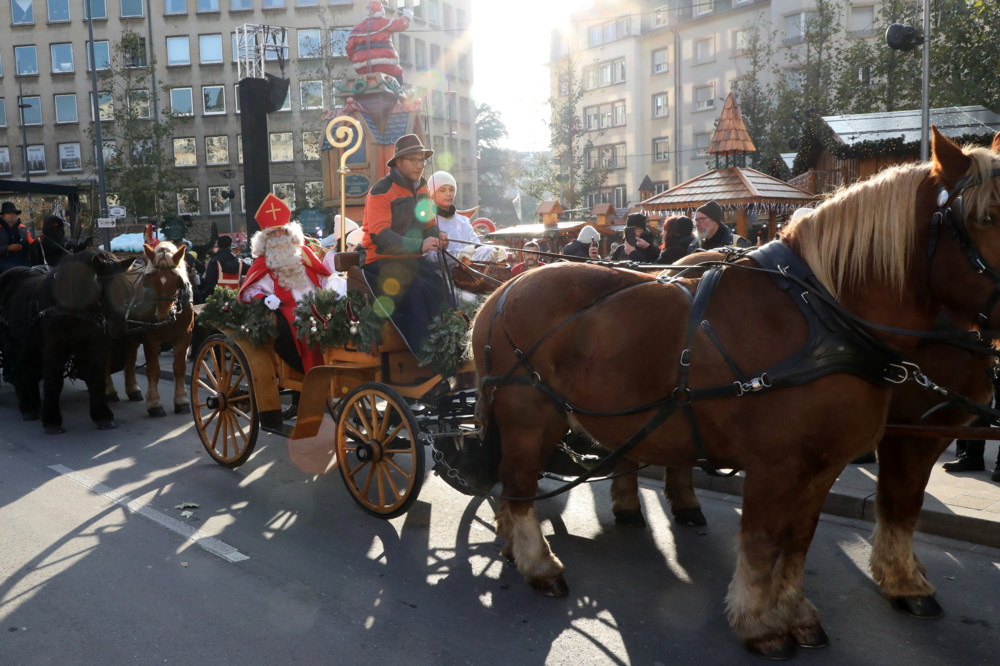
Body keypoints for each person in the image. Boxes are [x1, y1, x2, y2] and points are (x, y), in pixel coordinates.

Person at [359, 133, 451, 355]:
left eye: (422, 160)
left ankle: (448, 347)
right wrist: (419, 246)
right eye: (414, 160)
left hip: (411, 261)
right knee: (415, 288)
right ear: (398, 162)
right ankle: (425, 354)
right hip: (380, 263)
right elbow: (381, 235)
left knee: (440, 287)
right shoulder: (380, 191)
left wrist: (438, 235)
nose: (419, 165)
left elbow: (428, 223)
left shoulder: (422, 189)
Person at [239, 193, 330, 374]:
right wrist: (264, 298)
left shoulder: (304, 253)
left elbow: (322, 277)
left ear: (290, 233)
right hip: (288, 310)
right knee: (305, 331)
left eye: (282, 231)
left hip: (316, 306)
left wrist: (333, 288)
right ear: (265, 238)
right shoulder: (262, 261)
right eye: (273, 233)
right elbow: (249, 290)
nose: (279, 235)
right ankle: (309, 373)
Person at [345, 1, 413, 84]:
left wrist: (355, 59)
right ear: (380, 11)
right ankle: (401, 89)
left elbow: (349, 48)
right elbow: (401, 24)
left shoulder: (356, 28)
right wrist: (407, 16)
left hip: (361, 67)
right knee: (398, 73)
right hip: (385, 63)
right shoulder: (384, 22)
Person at [424, 170, 480, 269]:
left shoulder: (464, 221)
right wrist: (456, 256)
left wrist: (491, 252)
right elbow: (428, 257)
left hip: (468, 275)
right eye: (442, 190)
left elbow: (477, 247)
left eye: (451, 190)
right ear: (432, 194)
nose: (448, 194)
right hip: (439, 277)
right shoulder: (428, 222)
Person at [0, 201, 34, 272]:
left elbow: (31, 244)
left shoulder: (22, 228)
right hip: (3, 263)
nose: (12, 215)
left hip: (23, 263)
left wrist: (38, 241)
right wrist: (8, 248)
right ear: (2, 216)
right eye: (8, 213)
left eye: (13, 213)